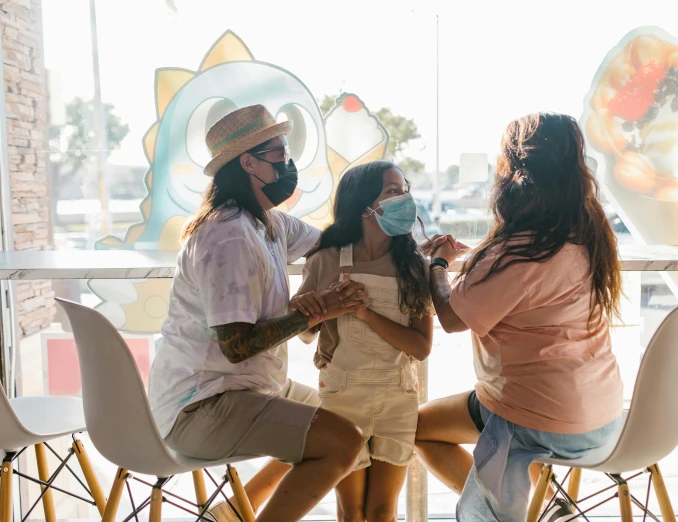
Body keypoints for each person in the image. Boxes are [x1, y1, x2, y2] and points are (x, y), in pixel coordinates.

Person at [146, 104, 368, 522]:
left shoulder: (268, 222)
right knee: (340, 442)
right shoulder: (228, 237)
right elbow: (237, 345)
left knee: (344, 418)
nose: (289, 163)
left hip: (244, 388)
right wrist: (314, 314)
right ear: (249, 162)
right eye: (280, 153)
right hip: (200, 406)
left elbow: (332, 243)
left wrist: (410, 247)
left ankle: (228, 514)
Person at [415, 113, 625, 521]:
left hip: (538, 420)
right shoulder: (591, 233)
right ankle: (542, 508)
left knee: (416, 428)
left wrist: (438, 264)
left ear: (512, 169)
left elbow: (453, 318)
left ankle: (536, 510)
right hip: (604, 419)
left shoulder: (519, 252)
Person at [293, 161, 434, 522]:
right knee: (351, 510)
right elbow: (306, 334)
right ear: (363, 204)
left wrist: (365, 312)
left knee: (382, 510)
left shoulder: (414, 266)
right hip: (342, 395)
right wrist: (319, 306)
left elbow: (420, 347)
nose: (405, 199)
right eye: (393, 191)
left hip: (398, 395)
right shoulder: (325, 260)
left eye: (405, 190)